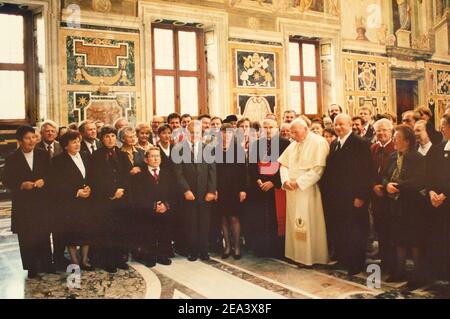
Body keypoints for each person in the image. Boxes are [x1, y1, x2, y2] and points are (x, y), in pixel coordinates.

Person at [321, 114, 373, 275]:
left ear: (350, 124)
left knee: (356, 231)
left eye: (342, 124)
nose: (338, 128)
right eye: (336, 125)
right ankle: (344, 259)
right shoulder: (335, 143)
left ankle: (356, 264)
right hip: (338, 198)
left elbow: (366, 173)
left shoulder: (360, 143)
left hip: (354, 197)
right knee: (341, 229)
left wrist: (362, 196)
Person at [2, 126, 52, 278]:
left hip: (42, 201)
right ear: (20, 140)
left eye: (33, 137)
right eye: (27, 138)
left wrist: (44, 180)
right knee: (27, 235)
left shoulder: (43, 155)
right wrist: (21, 185)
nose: (31, 141)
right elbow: (5, 180)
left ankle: (46, 263)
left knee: (43, 232)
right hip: (24, 203)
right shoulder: (13, 158)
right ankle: (32, 266)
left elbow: (52, 174)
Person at [278, 119, 329, 266]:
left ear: (306, 129)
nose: (292, 135)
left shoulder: (318, 142)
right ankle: (296, 255)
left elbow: (318, 170)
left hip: (307, 190)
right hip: (291, 190)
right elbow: (283, 165)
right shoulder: (293, 144)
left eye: (295, 132)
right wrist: (285, 181)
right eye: (291, 132)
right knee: (294, 222)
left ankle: (310, 257)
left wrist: (299, 183)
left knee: (307, 222)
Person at [382, 125, 426, 288]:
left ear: (407, 141)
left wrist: (397, 186)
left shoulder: (418, 158)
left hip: (412, 207)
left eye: (397, 138)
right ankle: (399, 271)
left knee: (414, 242)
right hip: (395, 206)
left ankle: (418, 275)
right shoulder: (394, 156)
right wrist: (387, 186)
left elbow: (418, 181)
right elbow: (385, 176)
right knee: (398, 239)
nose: (394, 140)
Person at [90, 126, 132, 273]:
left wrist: (121, 189)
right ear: (102, 139)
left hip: (121, 198)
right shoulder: (95, 156)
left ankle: (119, 258)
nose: (110, 139)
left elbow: (127, 175)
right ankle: (108, 260)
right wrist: (111, 192)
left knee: (120, 229)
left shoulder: (122, 155)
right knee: (107, 230)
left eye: (113, 136)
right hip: (104, 199)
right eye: (107, 136)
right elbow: (95, 178)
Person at [173, 121, 217, 261]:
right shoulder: (178, 149)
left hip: (205, 192)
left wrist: (211, 191)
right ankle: (192, 250)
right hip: (189, 193)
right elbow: (178, 173)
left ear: (201, 133)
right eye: (191, 132)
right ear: (186, 133)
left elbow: (212, 171)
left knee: (205, 223)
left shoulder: (208, 148)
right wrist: (185, 190)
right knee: (190, 223)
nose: (194, 135)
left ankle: (203, 250)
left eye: (197, 132)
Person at [247, 119, 290, 257]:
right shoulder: (256, 144)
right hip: (259, 187)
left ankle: (278, 250)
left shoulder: (284, 143)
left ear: (276, 128)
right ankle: (262, 248)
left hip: (277, 187)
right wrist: (258, 180)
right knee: (261, 218)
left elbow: (286, 166)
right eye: (265, 127)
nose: (268, 130)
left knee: (276, 218)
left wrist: (273, 182)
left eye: (271, 127)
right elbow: (252, 165)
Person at [51, 130, 94, 271]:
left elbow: (93, 175)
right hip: (70, 203)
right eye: (73, 142)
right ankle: (74, 260)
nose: (77, 144)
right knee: (72, 233)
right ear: (65, 145)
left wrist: (90, 187)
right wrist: (76, 192)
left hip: (87, 201)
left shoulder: (86, 156)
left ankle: (85, 259)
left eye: (78, 141)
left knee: (87, 230)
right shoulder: (58, 161)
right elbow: (57, 184)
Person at [131, 147, 174, 267]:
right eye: (152, 156)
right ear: (146, 159)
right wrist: (153, 206)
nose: (156, 159)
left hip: (164, 210)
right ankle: (149, 256)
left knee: (163, 231)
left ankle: (162, 255)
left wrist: (166, 205)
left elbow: (173, 193)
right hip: (147, 210)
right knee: (148, 232)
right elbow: (137, 196)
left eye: (158, 156)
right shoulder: (139, 176)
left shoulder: (167, 174)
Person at [216, 124, 247, 260]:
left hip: (235, 188)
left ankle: (237, 247)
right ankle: (227, 246)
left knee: (234, 218)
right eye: (224, 133)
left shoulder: (238, 150)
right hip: (220, 188)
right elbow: (213, 171)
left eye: (229, 133)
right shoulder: (214, 150)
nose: (226, 135)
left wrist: (243, 189)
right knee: (223, 217)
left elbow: (243, 172)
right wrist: (214, 189)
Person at [426, 113, 450, 284]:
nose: (441, 128)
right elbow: (429, 174)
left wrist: (445, 194)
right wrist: (431, 191)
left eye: (444, 125)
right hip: (437, 203)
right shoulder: (438, 148)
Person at [370, 118, 396, 275]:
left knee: (392, 231)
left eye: (384, 130)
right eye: (378, 130)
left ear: (391, 131)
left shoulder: (396, 147)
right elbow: (367, 170)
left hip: (391, 196)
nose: (381, 133)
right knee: (380, 229)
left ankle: (393, 264)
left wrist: (385, 188)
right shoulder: (372, 148)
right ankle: (384, 261)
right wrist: (373, 186)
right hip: (375, 195)